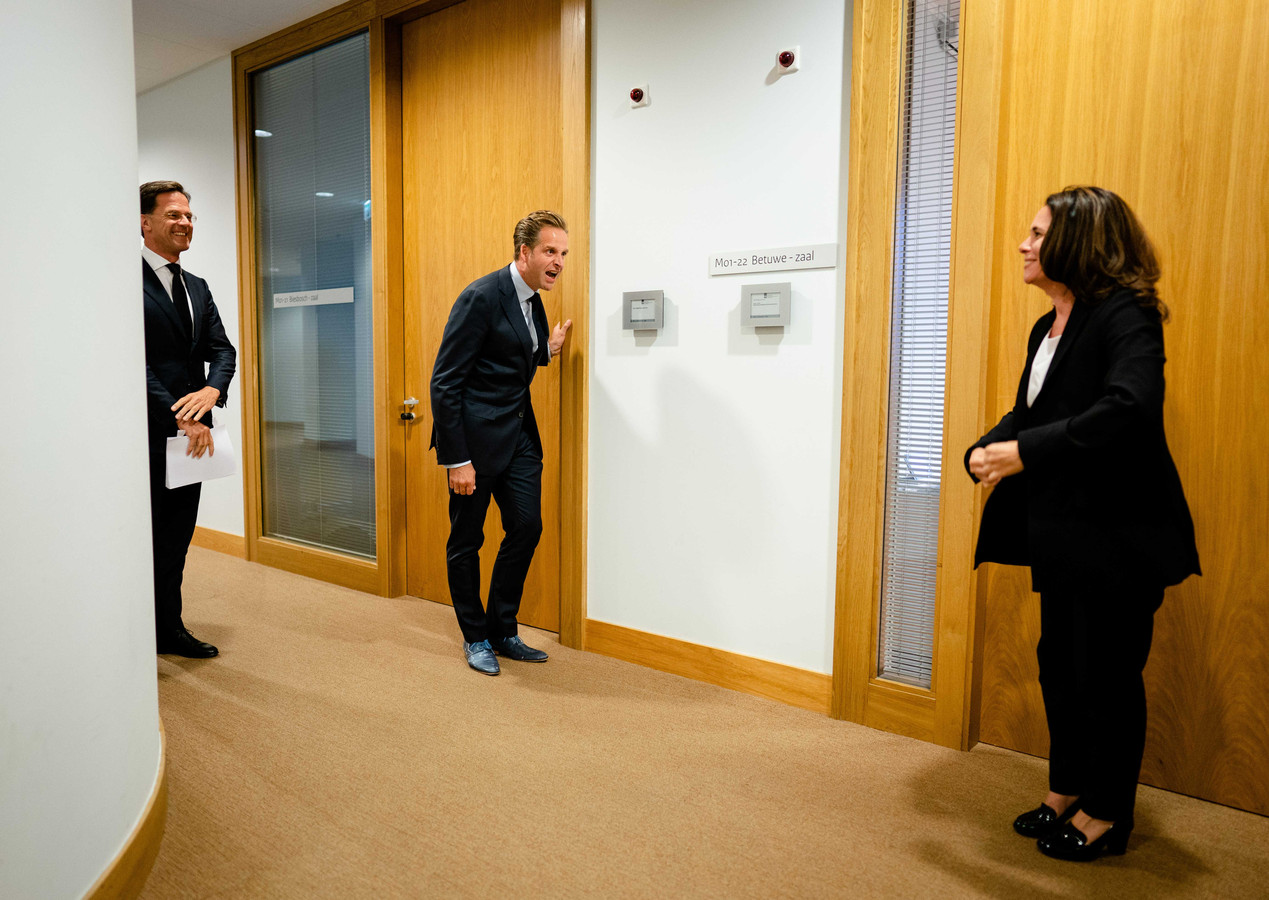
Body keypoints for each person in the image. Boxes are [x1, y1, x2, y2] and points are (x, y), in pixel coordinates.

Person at [966, 186, 1199, 861]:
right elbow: (1031, 415)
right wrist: (986, 447)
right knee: (1060, 669)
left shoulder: (1126, 316)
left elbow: (1128, 407)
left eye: (1037, 233)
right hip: (1064, 535)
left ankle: (1107, 814)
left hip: (1120, 536)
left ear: (1079, 241)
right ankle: (1066, 787)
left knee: (1105, 677)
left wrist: (1025, 452)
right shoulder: (1048, 326)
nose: (1023, 244)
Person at [430, 210, 573, 675]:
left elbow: (510, 356)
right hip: (473, 443)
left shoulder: (534, 298)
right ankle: (476, 637)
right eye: (551, 252)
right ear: (524, 253)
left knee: (527, 527)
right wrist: (457, 459)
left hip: (519, 437)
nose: (559, 262)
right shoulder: (481, 296)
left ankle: (503, 628)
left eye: (564, 253)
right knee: (467, 541)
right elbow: (445, 382)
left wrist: (544, 350)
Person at [141, 181, 237, 658]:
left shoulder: (196, 286)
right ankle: (132, 631)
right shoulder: (122, 280)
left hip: (190, 439)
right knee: (140, 540)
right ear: (146, 223)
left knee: (177, 539)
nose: (185, 223)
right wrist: (182, 413)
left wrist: (211, 390)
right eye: (174, 214)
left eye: (189, 216)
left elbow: (223, 349)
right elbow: (131, 363)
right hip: (142, 436)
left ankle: (167, 629)